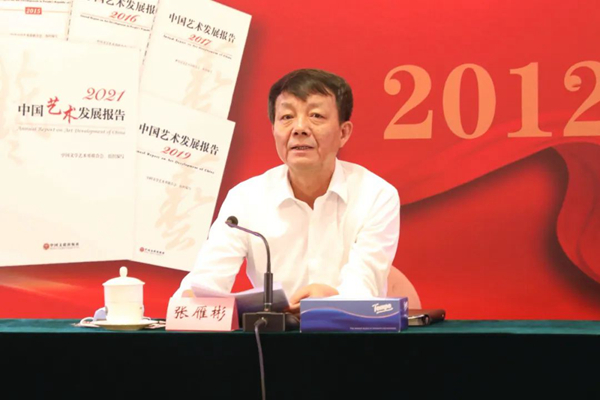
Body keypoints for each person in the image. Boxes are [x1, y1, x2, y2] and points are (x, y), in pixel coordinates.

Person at [174, 68, 400, 313]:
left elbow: (363, 286)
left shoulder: (376, 195)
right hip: (271, 334)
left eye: (316, 116)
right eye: (287, 117)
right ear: (273, 130)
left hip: (349, 331)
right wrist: (191, 298)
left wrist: (332, 299)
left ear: (343, 133)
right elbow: (205, 280)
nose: (299, 128)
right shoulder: (244, 199)